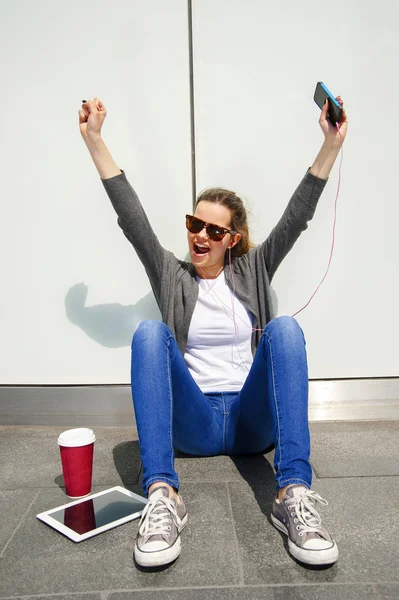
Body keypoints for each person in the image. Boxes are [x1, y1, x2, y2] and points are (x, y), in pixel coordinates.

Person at [79, 95, 348, 569]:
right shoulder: (172, 276)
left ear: (233, 239)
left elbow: (298, 215)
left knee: (284, 329)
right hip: (196, 423)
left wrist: (330, 143)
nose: (200, 236)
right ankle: (162, 495)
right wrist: (95, 140)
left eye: (213, 230)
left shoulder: (255, 268)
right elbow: (132, 220)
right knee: (147, 334)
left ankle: (293, 494)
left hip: (250, 421)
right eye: (193, 224)